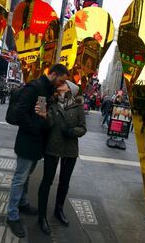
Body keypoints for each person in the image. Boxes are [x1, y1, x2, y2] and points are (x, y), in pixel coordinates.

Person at [6, 64, 69, 238]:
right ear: (53, 74)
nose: (61, 84)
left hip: (36, 143)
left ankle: (23, 202)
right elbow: (21, 113)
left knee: (25, 176)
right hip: (27, 142)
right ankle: (12, 214)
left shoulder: (46, 89)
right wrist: (36, 128)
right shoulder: (35, 87)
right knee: (20, 178)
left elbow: (41, 113)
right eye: (61, 80)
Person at [37, 80, 86, 235]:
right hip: (53, 147)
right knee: (47, 181)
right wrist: (45, 117)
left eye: (64, 83)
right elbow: (49, 123)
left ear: (71, 89)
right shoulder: (52, 103)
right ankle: (41, 216)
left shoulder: (78, 107)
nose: (60, 84)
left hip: (70, 150)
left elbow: (83, 128)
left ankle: (59, 210)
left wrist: (72, 132)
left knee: (64, 182)